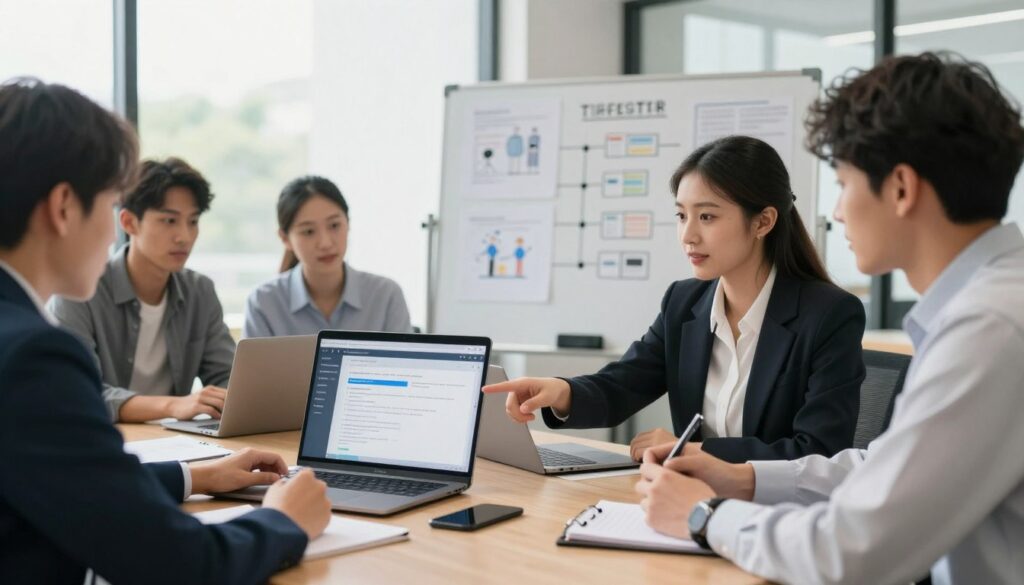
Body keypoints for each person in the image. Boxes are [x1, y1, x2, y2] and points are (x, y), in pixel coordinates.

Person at [635, 52, 1024, 585]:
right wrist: (742, 477)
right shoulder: (991, 306)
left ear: (902, 188)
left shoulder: (992, 328)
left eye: (843, 183)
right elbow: (884, 468)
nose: (837, 211)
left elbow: (853, 553)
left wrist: (705, 517)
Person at [0, 77, 332, 585]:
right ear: (64, 206)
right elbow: (178, 564)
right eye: (112, 205)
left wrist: (195, 475)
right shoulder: (32, 356)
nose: (114, 230)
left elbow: (61, 476)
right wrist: (283, 521)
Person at [485, 135, 865, 463]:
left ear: (763, 222)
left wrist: (691, 451)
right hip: (688, 499)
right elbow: (622, 386)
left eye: (708, 217)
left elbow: (819, 452)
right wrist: (561, 391)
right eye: (682, 216)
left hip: (775, 515)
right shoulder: (684, 303)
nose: (688, 236)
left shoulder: (828, 315)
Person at [51, 158, 234, 423]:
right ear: (128, 222)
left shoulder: (200, 291)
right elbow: (77, 391)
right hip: (104, 438)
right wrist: (172, 405)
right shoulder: (78, 290)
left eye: (193, 221)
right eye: (169, 221)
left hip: (177, 443)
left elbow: (226, 376)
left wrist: (229, 398)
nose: (184, 236)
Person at [243, 175, 412, 338]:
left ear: (348, 223)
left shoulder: (386, 295)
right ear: (285, 238)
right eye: (308, 231)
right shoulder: (264, 303)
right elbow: (256, 368)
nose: (325, 243)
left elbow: (405, 366)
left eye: (334, 225)